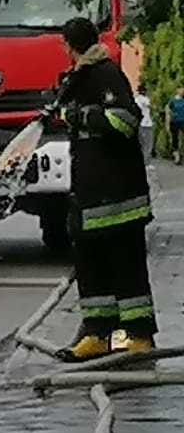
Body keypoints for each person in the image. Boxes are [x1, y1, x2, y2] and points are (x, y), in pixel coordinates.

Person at [44, 18, 158, 362]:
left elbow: (125, 119)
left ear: (69, 44)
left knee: (126, 268)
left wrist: (79, 115)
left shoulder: (105, 74)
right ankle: (98, 335)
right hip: (91, 196)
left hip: (119, 197)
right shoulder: (79, 78)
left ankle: (139, 338)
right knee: (91, 267)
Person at [134, 85, 154, 162]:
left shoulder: (135, 99)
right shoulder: (145, 99)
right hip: (147, 123)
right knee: (148, 144)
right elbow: (150, 107)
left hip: (139, 123)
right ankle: (146, 161)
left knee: (141, 143)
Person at [169, 86, 184, 164]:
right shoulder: (172, 101)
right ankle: (176, 156)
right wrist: (168, 123)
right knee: (175, 139)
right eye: (181, 89)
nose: (182, 91)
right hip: (174, 122)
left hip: (183, 121)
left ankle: (180, 154)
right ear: (177, 90)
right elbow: (169, 111)